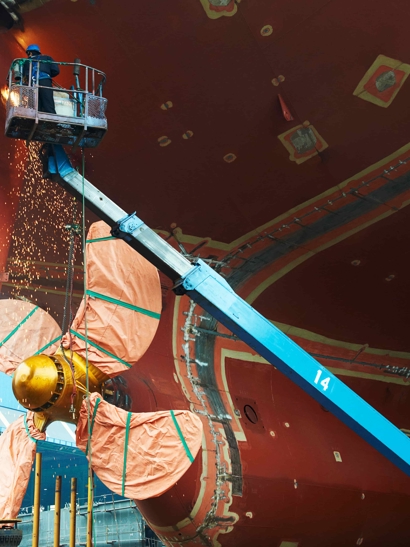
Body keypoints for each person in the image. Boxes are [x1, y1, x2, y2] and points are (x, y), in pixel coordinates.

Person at [23, 44, 60, 114]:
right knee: (48, 102)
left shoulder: (27, 61)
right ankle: (52, 120)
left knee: (36, 105)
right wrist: (48, 75)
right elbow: (56, 70)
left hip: (33, 83)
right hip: (45, 81)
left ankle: (36, 119)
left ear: (29, 52)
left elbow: (25, 74)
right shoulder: (47, 58)